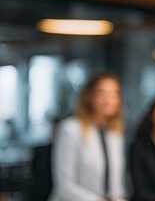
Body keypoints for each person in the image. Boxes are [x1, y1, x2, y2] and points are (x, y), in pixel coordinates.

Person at [49, 71, 127, 201]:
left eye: (114, 94)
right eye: (102, 93)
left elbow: (117, 186)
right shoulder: (70, 129)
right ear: (89, 96)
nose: (108, 99)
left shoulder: (115, 134)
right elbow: (64, 186)